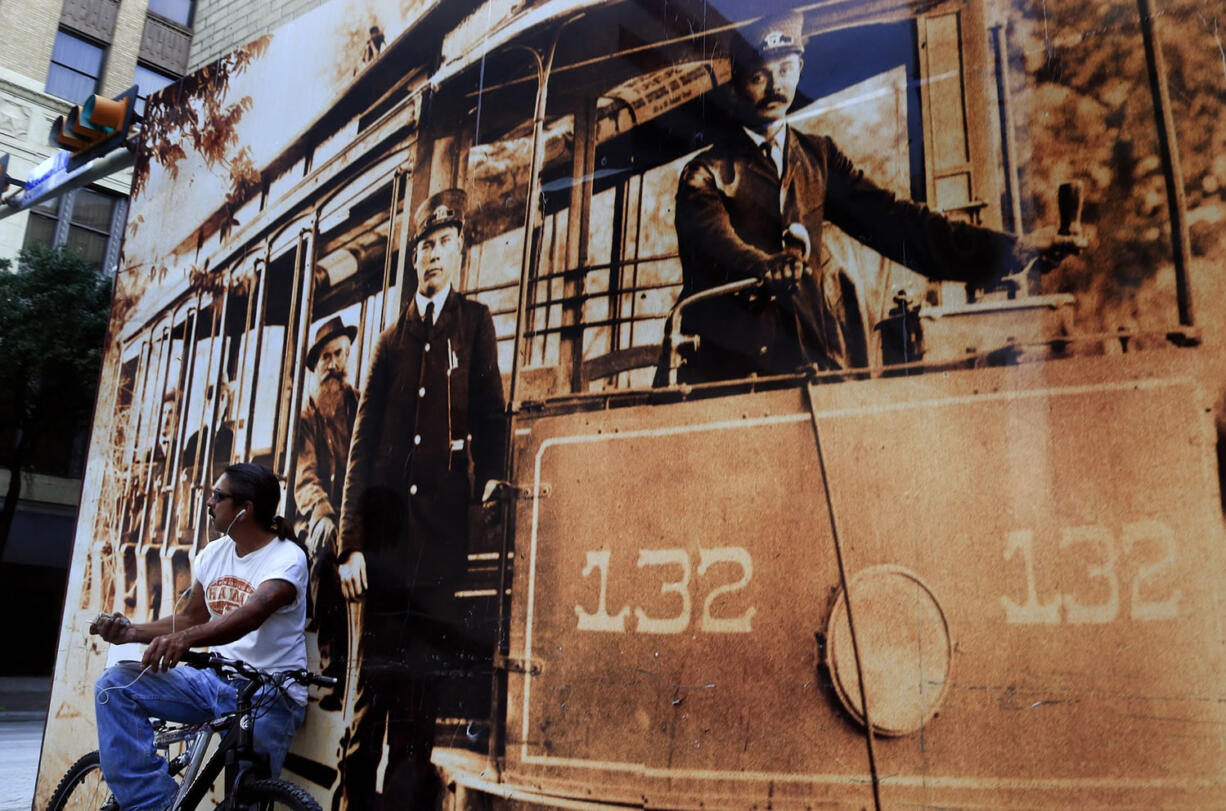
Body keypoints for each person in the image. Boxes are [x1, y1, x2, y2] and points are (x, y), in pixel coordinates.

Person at [673, 11, 1023, 383]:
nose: (777, 87)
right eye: (760, 76)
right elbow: (718, 243)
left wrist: (1007, 252)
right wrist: (763, 265)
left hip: (815, 368)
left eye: (787, 70)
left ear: (800, 68)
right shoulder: (704, 173)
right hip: (732, 377)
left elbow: (894, 221)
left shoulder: (819, 157)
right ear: (734, 84)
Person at [336, 188, 506, 806]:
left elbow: (491, 409)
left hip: (439, 550)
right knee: (371, 703)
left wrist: (490, 473)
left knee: (419, 702)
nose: (435, 255)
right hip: (382, 551)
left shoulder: (475, 324)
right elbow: (359, 451)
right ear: (415, 261)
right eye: (426, 246)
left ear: (460, 252)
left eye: (445, 244)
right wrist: (350, 545)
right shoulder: (388, 342)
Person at [91, 463, 309, 811]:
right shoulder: (215, 554)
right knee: (113, 687)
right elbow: (191, 616)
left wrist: (186, 639)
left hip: (266, 693)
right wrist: (131, 632)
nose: (209, 502)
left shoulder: (287, 559)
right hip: (213, 681)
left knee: (245, 800)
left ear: (245, 509)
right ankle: (155, 805)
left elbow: (249, 616)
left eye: (217, 496)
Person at [293, 316, 359, 709]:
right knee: (328, 556)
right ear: (317, 366)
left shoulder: (361, 403)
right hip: (317, 517)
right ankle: (334, 672)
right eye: (327, 357)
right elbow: (306, 478)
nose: (334, 363)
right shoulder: (306, 416)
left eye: (340, 354)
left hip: (355, 514)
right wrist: (325, 514)